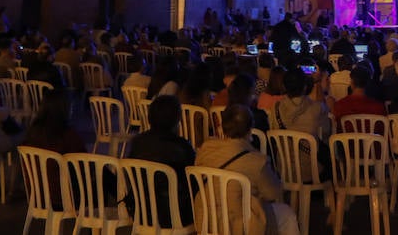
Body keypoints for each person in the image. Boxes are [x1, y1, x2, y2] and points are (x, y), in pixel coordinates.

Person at [194, 104, 299, 235]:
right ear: (250, 130)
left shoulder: (206, 150)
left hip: (206, 219)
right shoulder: (256, 161)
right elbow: (273, 193)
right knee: (287, 214)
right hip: (238, 224)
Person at [127, 95, 196, 229]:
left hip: (140, 212)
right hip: (173, 215)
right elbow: (191, 182)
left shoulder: (138, 142)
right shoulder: (182, 147)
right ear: (176, 120)